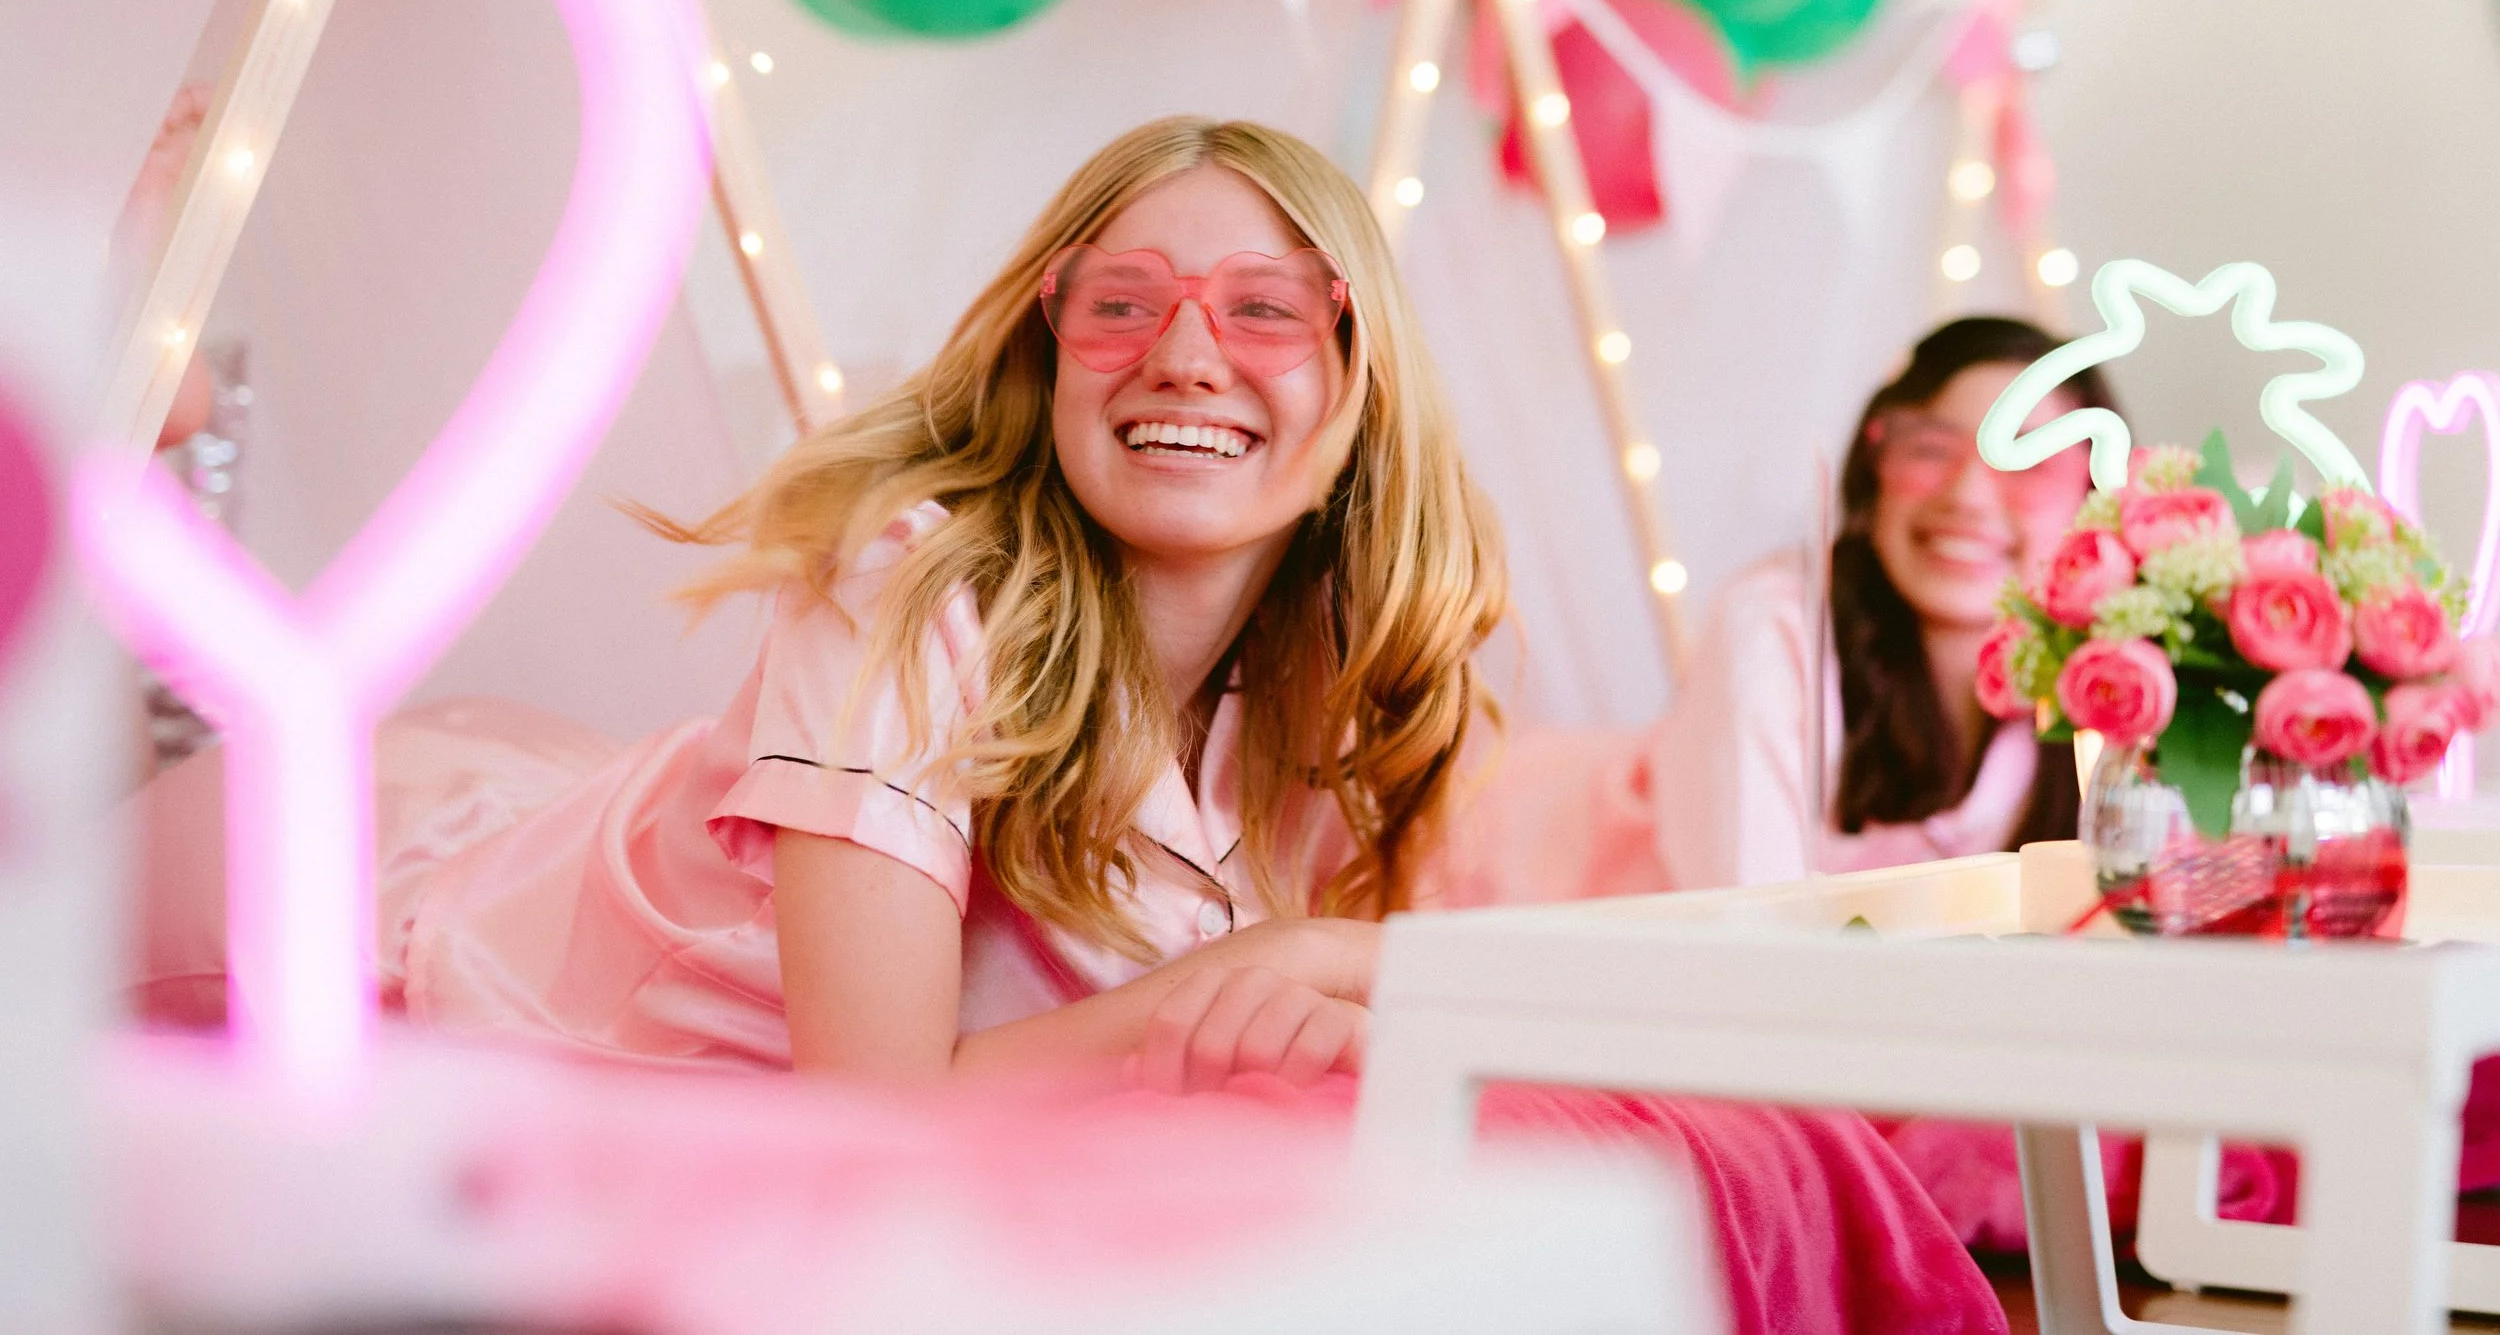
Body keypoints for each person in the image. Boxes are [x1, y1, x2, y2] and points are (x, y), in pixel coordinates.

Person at [129, 119, 2003, 1332]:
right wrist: (1218, 989)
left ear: (1356, 392)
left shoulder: (1327, 680)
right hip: (393, 879)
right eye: (1123, 304)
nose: (1186, 352)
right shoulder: (914, 586)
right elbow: (878, 1116)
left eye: (1267, 308)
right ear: (1044, 356)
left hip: (579, 815)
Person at [1647, 317, 2108, 892]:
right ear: (1875, 469)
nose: (1967, 496)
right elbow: (1748, 938)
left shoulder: (2116, 671)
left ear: (2095, 497)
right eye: (1932, 449)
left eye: (2029, 460)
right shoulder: (1775, 629)